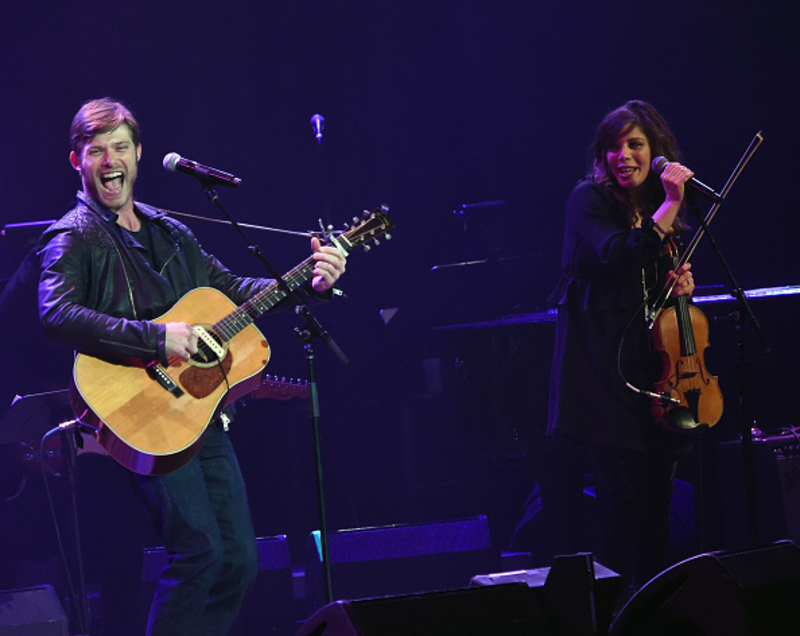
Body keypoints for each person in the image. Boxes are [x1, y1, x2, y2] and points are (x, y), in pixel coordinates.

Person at [37, 97, 347, 635]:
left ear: (138, 154)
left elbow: (230, 292)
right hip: (140, 408)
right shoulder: (75, 234)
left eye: (120, 148)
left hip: (197, 411)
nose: (110, 161)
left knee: (240, 562)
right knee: (199, 553)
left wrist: (311, 286)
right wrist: (159, 339)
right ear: (77, 162)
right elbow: (55, 311)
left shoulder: (171, 231)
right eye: (96, 151)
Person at [547, 100, 697, 594]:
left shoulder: (658, 208)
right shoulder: (586, 199)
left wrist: (681, 285)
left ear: (657, 151)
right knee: (625, 496)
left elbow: (653, 279)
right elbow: (615, 256)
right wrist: (669, 205)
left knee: (657, 498)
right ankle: (606, 610)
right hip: (599, 372)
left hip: (652, 371)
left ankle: (650, 606)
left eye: (635, 145)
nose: (624, 155)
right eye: (614, 147)